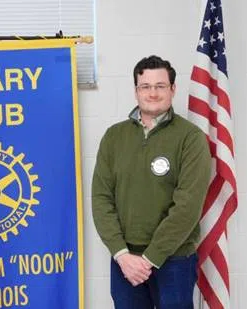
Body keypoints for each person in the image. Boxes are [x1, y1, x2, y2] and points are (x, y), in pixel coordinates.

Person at [92, 55, 211, 309]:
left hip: (174, 260)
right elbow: (101, 199)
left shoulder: (191, 138)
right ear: (136, 91)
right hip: (125, 259)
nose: (153, 93)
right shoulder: (114, 137)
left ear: (173, 89)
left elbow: (187, 208)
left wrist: (148, 259)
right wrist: (122, 255)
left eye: (160, 86)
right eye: (146, 86)